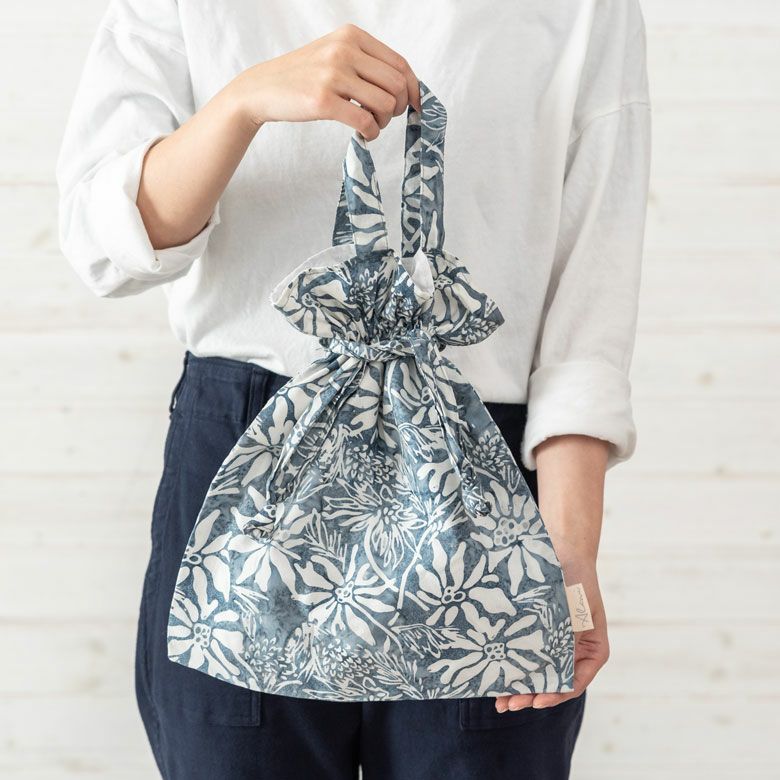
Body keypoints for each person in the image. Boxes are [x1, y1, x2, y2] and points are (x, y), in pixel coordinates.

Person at [56, 1, 652, 778]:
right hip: (253, 455)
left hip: (484, 488)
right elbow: (103, 242)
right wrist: (243, 103)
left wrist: (570, 548)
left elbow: (588, 305)